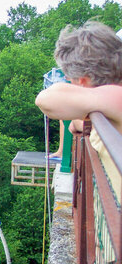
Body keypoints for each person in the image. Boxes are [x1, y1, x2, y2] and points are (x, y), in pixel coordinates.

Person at [35, 21, 122, 201]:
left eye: (70, 79)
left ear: (82, 81)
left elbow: (45, 100)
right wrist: (80, 121)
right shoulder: (110, 106)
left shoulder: (116, 96)